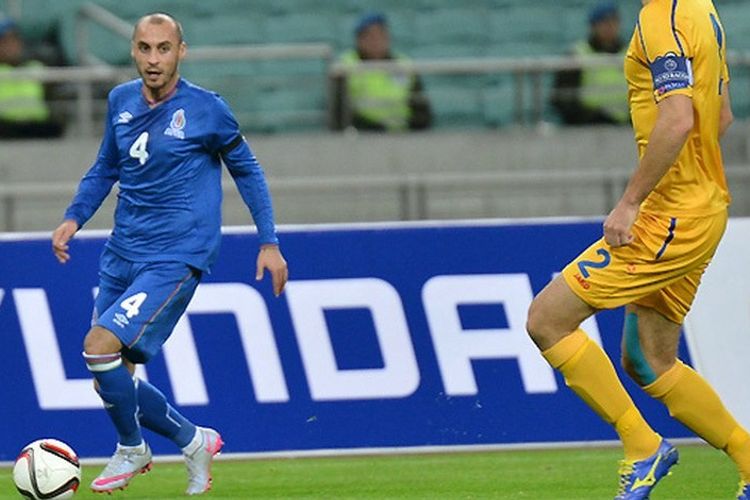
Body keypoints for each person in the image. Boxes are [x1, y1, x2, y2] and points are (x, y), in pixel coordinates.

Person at [51, 12, 288, 495]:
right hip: (122, 250)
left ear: (181, 51)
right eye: (144, 48)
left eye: (163, 48)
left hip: (176, 254)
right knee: (109, 379)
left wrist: (269, 241)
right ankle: (193, 440)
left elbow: (248, 170)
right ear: (133, 51)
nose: (153, 59)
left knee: (99, 346)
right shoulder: (120, 100)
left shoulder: (207, 109)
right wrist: (74, 217)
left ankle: (132, 448)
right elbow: (106, 167)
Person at [527, 1, 750, 499]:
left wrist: (631, 203)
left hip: (670, 217)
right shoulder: (702, 11)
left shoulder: (660, 18)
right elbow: (722, 115)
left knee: (547, 320)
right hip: (704, 207)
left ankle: (643, 446)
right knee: (649, 358)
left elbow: (677, 119)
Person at [331, 12, 432, 132]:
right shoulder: (345, 66)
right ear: (359, 39)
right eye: (370, 36)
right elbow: (338, 110)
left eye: (381, 35)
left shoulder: (404, 65)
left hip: (402, 133)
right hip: (363, 134)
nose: (377, 41)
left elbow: (420, 106)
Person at [551, 2, 629, 126]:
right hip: (588, 126)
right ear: (593, 26)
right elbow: (562, 98)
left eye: (613, 21)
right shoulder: (577, 54)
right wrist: (587, 117)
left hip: (625, 126)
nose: (610, 27)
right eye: (604, 22)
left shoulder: (630, 54)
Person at [0, 12, 63, 138]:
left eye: (14, 40)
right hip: (5, 132)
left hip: (37, 129)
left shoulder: (36, 67)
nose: (11, 46)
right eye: (4, 42)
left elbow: (55, 97)